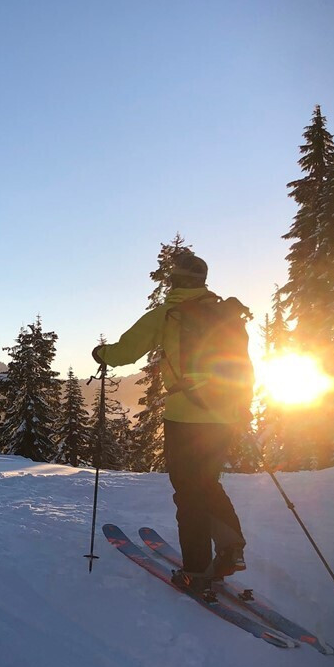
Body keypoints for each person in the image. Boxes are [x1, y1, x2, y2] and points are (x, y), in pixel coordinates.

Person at [92, 253, 249, 594]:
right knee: (207, 482)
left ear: (175, 280)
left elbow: (126, 351)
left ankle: (196, 570)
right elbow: (243, 367)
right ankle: (230, 546)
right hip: (223, 414)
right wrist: (241, 410)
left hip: (184, 415)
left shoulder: (168, 313)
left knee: (188, 491)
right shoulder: (225, 315)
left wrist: (101, 354)